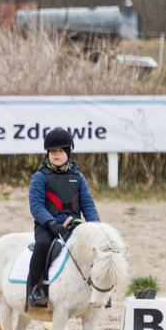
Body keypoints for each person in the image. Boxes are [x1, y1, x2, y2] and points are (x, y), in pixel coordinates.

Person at [26, 127, 99, 309]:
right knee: (42, 244)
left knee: (95, 250)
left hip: (74, 225)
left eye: (60, 151)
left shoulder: (78, 177)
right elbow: (36, 206)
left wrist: (97, 228)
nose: (56, 154)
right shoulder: (40, 177)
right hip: (47, 225)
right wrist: (51, 223)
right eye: (52, 151)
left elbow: (88, 206)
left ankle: (98, 291)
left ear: (68, 152)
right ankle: (34, 290)